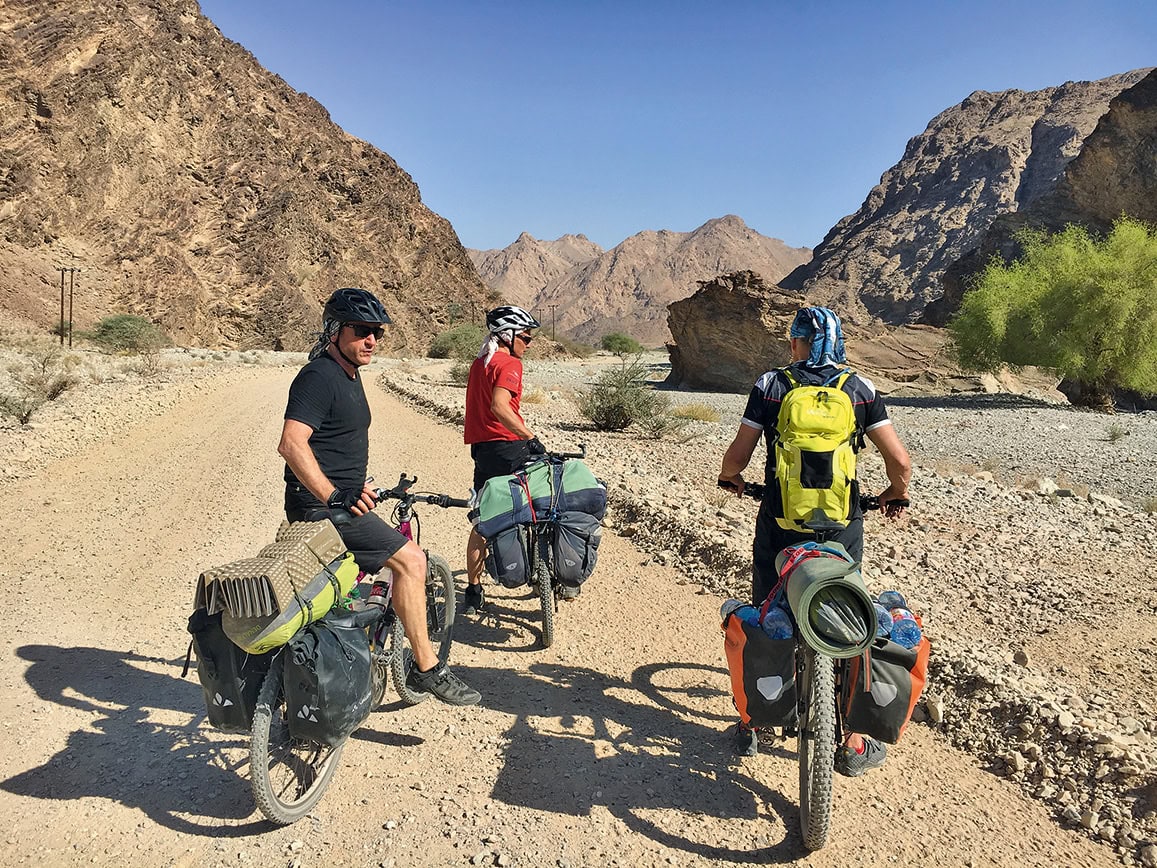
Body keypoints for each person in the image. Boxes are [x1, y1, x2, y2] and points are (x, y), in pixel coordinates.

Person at [717, 305, 911, 775]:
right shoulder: (861, 390)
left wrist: (731, 480)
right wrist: (893, 496)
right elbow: (900, 464)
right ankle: (854, 738)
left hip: (781, 523)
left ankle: (754, 723)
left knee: (768, 609)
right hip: (841, 526)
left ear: (795, 343)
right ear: (840, 342)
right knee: (847, 609)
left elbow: (736, 459)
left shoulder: (771, 386)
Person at [278, 287, 480, 706]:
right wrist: (334, 495)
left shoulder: (348, 374)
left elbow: (333, 443)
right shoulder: (319, 376)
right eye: (362, 331)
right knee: (411, 560)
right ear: (335, 331)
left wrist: (356, 486)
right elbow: (292, 444)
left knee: (350, 583)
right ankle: (427, 668)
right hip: (323, 510)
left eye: (378, 333)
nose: (371, 340)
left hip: (338, 500)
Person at [462, 305, 571, 614]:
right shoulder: (509, 363)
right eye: (526, 336)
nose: (529, 342)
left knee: (483, 518)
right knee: (547, 498)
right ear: (508, 336)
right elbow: (499, 406)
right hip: (509, 446)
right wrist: (529, 437)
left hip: (482, 449)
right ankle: (557, 574)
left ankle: (473, 590)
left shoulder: (480, 362)